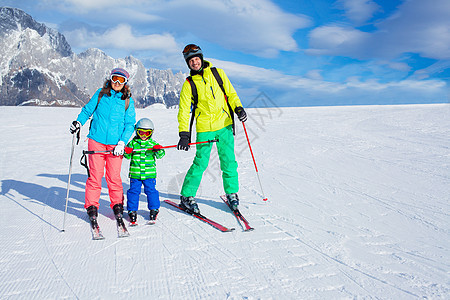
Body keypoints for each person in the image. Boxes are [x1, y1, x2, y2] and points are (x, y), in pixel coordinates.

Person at [176, 44, 248, 214]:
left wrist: (238, 108)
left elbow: (231, 93)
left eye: (196, 59)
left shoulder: (218, 73)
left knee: (229, 161)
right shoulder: (189, 84)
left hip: (224, 125)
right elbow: (184, 111)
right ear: (188, 64)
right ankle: (187, 195)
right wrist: (184, 134)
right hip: (205, 128)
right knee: (200, 163)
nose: (194, 63)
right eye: (191, 61)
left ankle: (231, 193)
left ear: (201, 58)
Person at [69, 68, 136, 227]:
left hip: (115, 145)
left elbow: (129, 124)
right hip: (96, 141)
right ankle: (91, 206)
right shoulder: (100, 94)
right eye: (115, 79)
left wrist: (122, 143)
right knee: (95, 176)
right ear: (110, 79)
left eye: (121, 80)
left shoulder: (127, 100)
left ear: (125, 83)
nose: (117, 83)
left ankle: (117, 205)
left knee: (113, 177)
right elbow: (87, 111)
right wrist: (79, 122)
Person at [123, 118, 165, 225]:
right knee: (133, 192)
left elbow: (161, 155)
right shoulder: (133, 143)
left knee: (151, 191)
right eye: (141, 132)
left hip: (149, 174)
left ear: (151, 133)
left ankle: (154, 208)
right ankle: (132, 210)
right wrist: (127, 151)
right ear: (137, 131)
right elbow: (127, 156)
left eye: (147, 133)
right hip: (136, 174)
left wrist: (158, 149)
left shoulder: (152, 144)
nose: (144, 135)